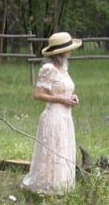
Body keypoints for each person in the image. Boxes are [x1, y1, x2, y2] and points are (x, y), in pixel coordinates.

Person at [21, 31, 83, 195]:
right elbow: (38, 94)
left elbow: (65, 89)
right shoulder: (48, 69)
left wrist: (72, 97)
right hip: (54, 115)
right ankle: (48, 185)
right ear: (62, 52)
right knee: (53, 150)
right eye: (68, 49)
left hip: (66, 116)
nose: (70, 52)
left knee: (64, 148)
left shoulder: (64, 67)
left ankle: (62, 184)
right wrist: (62, 100)